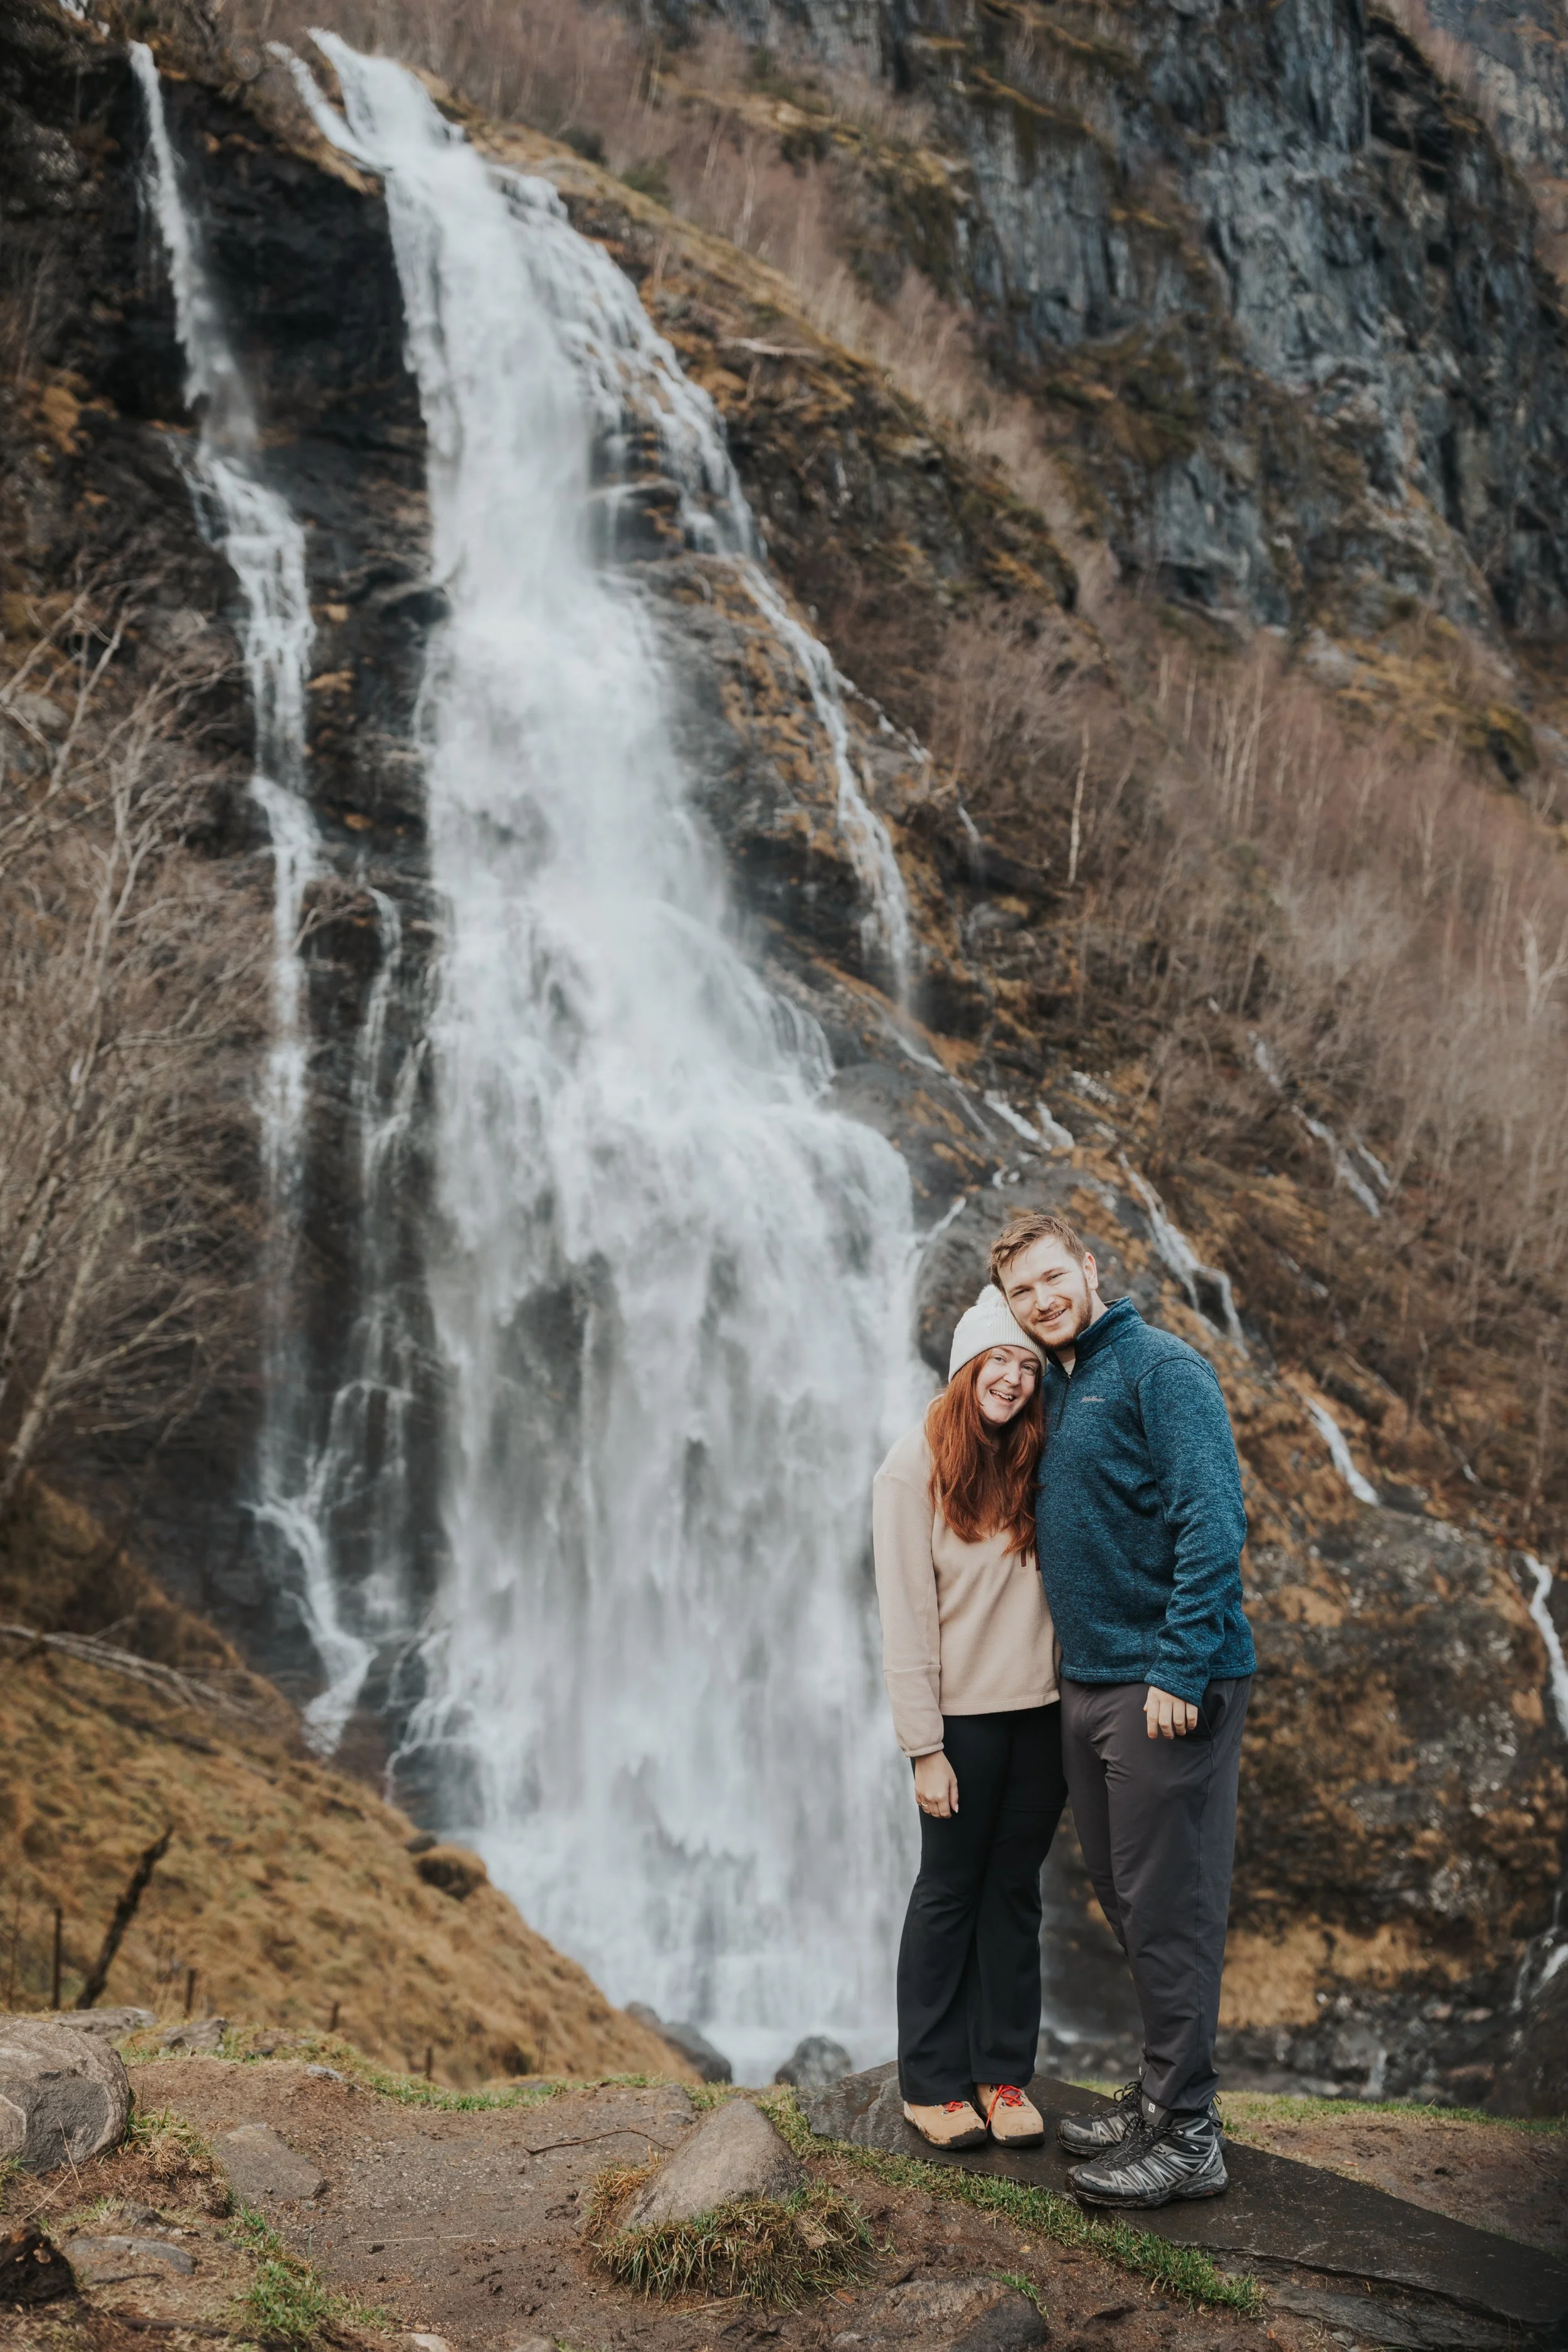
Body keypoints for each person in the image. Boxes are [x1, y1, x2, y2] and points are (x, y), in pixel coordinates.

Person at [992, 1207, 1254, 2210]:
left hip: (1166, 1685)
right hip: (1091, 1681)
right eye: (1024, 1291)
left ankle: (1189, 2135)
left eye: (1055, 1277)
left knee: (1169, 1902)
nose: (1045, 1298)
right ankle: (1161, 2094)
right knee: (1126, 1892)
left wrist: (1180, 1670)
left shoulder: (1159, 1368)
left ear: (1089, 1267)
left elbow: (1211, 1517)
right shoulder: (1058, 1387)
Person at [872, 1285, 1067, 2153]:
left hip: (1044, 1720)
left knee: (1014, 1896)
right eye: (1002, 1359)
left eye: (1029, 1365)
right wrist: (924, 1747)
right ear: (966, 1366)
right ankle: (931, 2080)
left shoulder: (1035, 1458)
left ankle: (1001, 2073)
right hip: (961, 1726)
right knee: (948, 1892)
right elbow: (906, 1617)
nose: (1016, 1378)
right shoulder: (910, 1467)